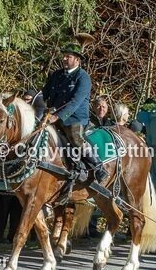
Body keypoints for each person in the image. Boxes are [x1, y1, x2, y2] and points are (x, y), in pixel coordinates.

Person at [42, 38, 107, 183]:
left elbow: (75, 102)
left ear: (77, 60)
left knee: (75, 138)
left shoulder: (83, 78)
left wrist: (58, 116)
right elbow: (43, 94)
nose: (64, 59)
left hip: (74, 118)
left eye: (68, 56)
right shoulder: (56, 75)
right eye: (64, 56)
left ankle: (98, 167)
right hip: (52, 115)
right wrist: (32, 102)